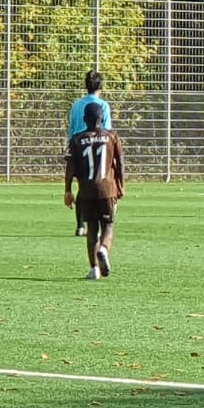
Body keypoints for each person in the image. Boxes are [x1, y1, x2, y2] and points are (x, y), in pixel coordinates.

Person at [65, 102, 125, 279]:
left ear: (84, 119)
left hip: (86, 191)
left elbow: (70, 168)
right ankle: (104, 249)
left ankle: (94, 269)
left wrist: (67, 190)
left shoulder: (76, 139)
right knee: (108, 225)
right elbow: (120, 163)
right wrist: (121, 185)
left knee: (91, 228)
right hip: (107, 189)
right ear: (102, 118)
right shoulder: (112, 136)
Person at [67, 70, 112, 236]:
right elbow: (106, 130)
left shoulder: (77, 105)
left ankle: (80, 225)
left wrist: (70, 146)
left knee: (82, 186)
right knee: (99, 183)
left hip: (77, 146)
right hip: (96, 146)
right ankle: (99, 223)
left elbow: (72, 128)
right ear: (101, 87)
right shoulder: (103, 105)